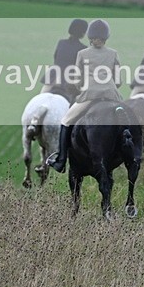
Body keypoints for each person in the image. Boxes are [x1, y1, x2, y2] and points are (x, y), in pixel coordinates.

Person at [46, 19, 122, 173]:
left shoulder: (82, 54)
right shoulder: (113, 53)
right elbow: (119, 81)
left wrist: (80, 87)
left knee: (66, 121)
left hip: (89, 95)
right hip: (112, 96)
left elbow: (77, 80)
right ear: (106, 37)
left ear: (90, 37)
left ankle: (61, 160)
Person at [41, 19, 88, 101]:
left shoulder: (61, 42)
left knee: (40, 98)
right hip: (70, 81)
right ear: (83, 33)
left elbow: (56, 58)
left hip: (53, 77)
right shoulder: (83, 49)